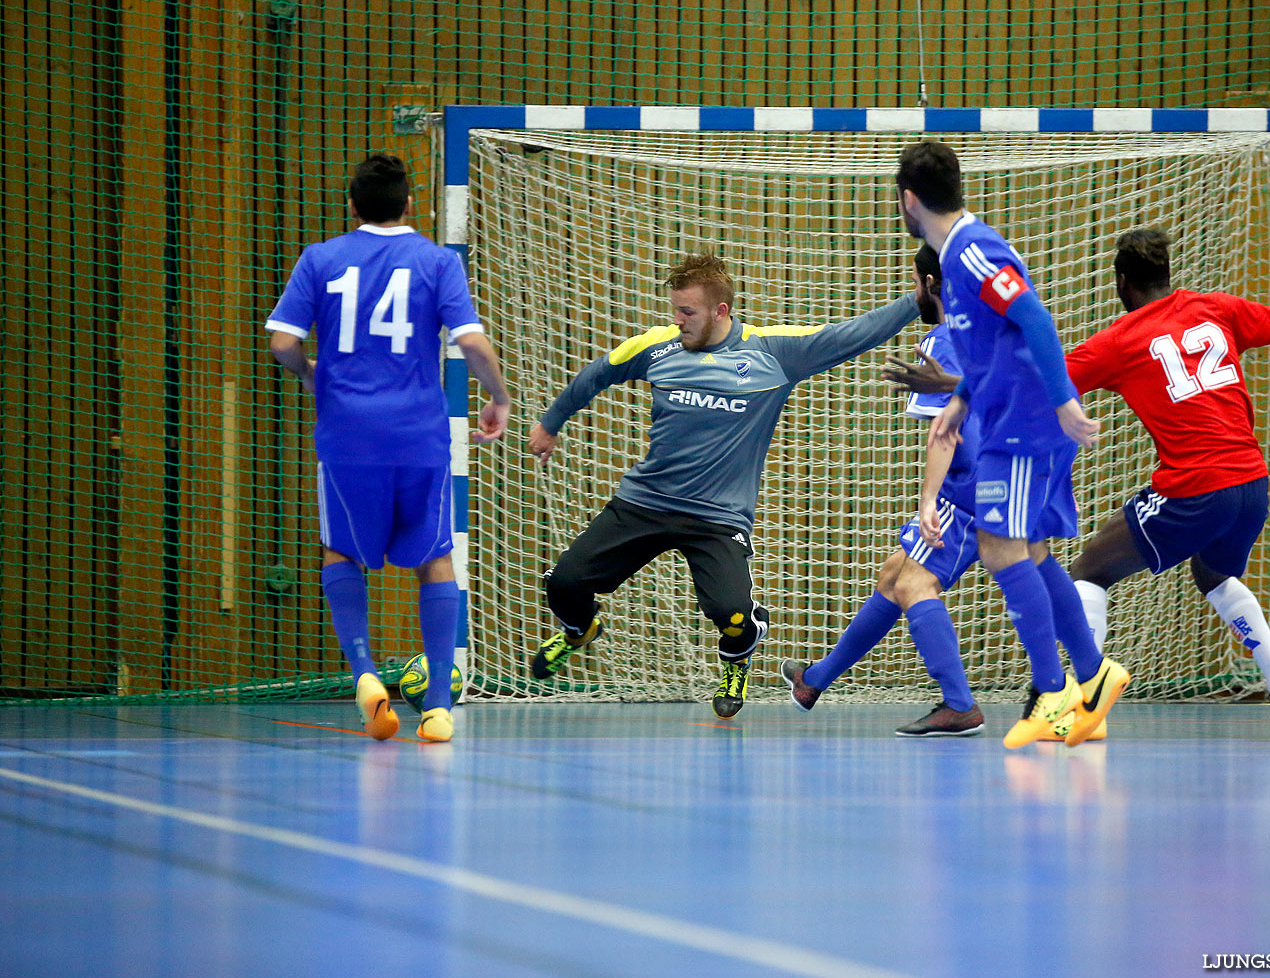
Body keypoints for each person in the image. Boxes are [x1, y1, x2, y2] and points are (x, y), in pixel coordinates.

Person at [527, 253, 932, 719]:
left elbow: (850, 334)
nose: (677, 321)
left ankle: (736, 659)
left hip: (716, 519)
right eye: (675, 310)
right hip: (644, 504)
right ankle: (579, 632)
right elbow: (597, 374)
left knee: (734, 615)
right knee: (563, 586)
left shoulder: (771, 353)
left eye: (688, 313)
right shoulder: (658, 347)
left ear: (721, 311)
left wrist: (915, 301)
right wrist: (551, 423)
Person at [781, 246, 1110, 741]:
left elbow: (947, 431)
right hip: (1034, 462)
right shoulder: (994, 326)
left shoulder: (945, 339)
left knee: (914, 584)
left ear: (930, 284)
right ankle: (817, 681)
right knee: (903, 572)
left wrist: (929, 500)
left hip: (975, 487)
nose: (913, 290)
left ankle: (963, 704)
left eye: (915, 281)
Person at [1066, 228, 1270, 741]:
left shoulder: (1121, 340)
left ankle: (1087, 699)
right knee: (1212, 572)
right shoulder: (1215, 308)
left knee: (1090, 568)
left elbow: (1044, 384)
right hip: (1252, 486)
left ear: (1122, 283)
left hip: (1196, 488)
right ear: (1167, 276)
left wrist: (954, 389)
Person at [266, 153, 512, 744]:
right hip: (418, 435)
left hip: (347, 435)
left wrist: (311, 375)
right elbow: (473, 344)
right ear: (410, 205)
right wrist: (498, 396)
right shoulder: (435, 261)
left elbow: (281, 343)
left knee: (340, 553)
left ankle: (367, 675)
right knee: (435, 556)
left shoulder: (320, 258)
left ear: (352, 206)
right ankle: (437, 707)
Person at [898, 140, 1130, 748]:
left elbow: (1034, 319)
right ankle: (1093, 675)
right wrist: (961, 400)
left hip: (1029, 422)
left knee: (1000, 548)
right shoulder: (957, 259)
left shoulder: (971, 253)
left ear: (909, 201)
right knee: (1028, 551)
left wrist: (1063, 401)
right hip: (1008, 416)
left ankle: (1053, 690)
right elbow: (996, 346)